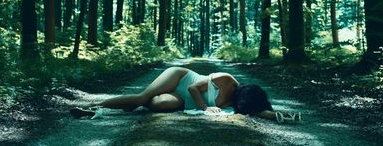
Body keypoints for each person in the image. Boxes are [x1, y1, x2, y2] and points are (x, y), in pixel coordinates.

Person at [70, 67, 301, 123]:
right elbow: (193, 89)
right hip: (180, 79)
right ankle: (96, 107)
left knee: (157, 105)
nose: (240, 107)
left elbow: (261, 111)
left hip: (182, 102)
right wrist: (204, 108)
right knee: (142, 98)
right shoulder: (227, 79)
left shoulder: (243, 103)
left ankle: (126, 107)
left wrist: (284, 116)